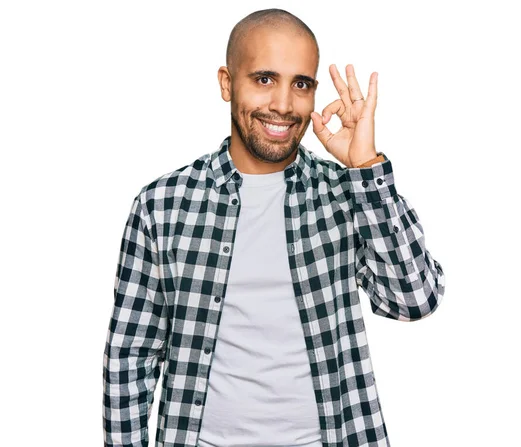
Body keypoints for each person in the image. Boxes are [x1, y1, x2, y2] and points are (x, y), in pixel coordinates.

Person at [102, 8, 445, 447]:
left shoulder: (346, 193)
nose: (283, 105)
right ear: (227, 83)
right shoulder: (162, 206)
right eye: (265, 79)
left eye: (300, 84)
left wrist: (365, 168)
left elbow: (415, 299)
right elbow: (130, 357)